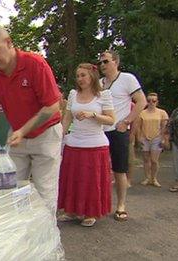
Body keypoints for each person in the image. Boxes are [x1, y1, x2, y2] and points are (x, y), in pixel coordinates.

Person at [0, 24, 63, 212]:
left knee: (44, 192)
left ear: (8, 42)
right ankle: (23, 233)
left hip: (46, 134)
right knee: (14, 188)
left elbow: (52, 106)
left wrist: (23, 130)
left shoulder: (35, 64)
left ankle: (47, 239)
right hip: (16, 137)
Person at [57, 63, 115, 227]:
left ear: (92, 76)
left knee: (91, 181)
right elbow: (67, 118)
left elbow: (111, 119)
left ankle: (90, 212)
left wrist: (93, 114)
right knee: (73, 178)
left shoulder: (103, 95)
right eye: (78, 76)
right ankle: (71, 210)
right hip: (74, 143)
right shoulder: (73, 94)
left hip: (95, 144)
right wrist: (60, 135)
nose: (80, 79)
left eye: (83, 75)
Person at [98, 50, 147, 221]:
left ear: (116, 62)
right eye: (101, 62)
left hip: (118, 132)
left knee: (119, 169)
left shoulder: (127, 78)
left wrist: (126, 122)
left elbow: (142, 101)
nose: (102, 65)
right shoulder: (99, 83)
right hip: (99, 133)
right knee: (99, 171)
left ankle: (121, 205)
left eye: (106, 61)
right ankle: (98, 205)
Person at [137, 93, 169, 187]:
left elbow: (165, 127)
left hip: (157, 138)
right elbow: (138, 126)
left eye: (154, 101)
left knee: (154, 160)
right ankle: (147, 177)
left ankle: (154, 178)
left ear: (157, 102)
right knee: (146, 159)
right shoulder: (142, 112)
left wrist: (164, 139)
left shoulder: (162, 113)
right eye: (149, 100)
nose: (151, 102)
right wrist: (138, 138)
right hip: (144, 137)